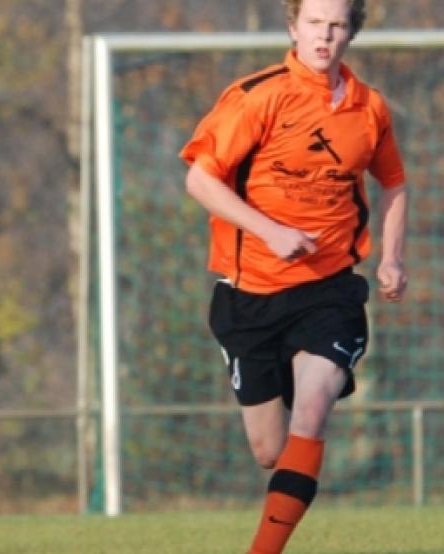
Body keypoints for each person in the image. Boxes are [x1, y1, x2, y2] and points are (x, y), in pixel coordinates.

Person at [179, 0, 406, 552]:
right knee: (268, 450)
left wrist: (392, 257)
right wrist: (270, 232)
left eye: (336, 25)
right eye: (313, 24)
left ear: (350, 33)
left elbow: (394, 184)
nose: (324, 35)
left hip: (329, 289)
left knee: (312, 410)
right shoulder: (258, 96)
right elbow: (200, 181)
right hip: (250, 295)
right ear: (293, 28)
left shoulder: (368, 108)